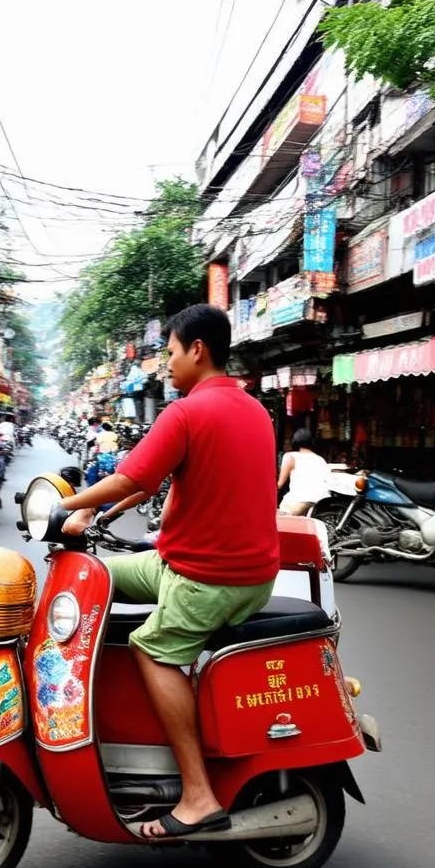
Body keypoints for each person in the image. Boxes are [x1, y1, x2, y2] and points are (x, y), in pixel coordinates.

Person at [60, 304, 279, 839]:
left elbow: (126, 476)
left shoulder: (185, 412)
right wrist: (99, 515)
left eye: (173, 353)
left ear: (197, 350)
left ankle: (198, 794)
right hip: (233, 571)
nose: (168, 365)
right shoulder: (254, 410)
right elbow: (149, 480)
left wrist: (67, 507)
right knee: (100, 574)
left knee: (151, 647)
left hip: (208, 580)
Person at [277, 428, 330, 516]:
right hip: (321, 502)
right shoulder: (321, 459)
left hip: (299, 501)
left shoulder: (290, 456)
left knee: (278, 517)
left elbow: (279, 484)